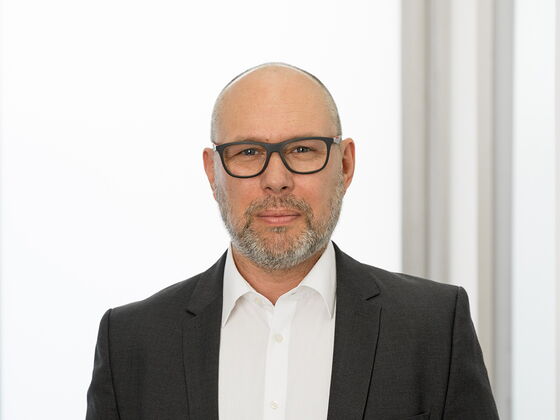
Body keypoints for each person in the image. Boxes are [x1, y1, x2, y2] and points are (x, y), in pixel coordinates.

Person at [86, 62, 499, 420]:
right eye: (248, 152)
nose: (276, 180)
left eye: (302, 149)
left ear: (345, 165)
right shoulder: (130, 343)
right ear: (213, 173)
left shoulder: (433, 327)